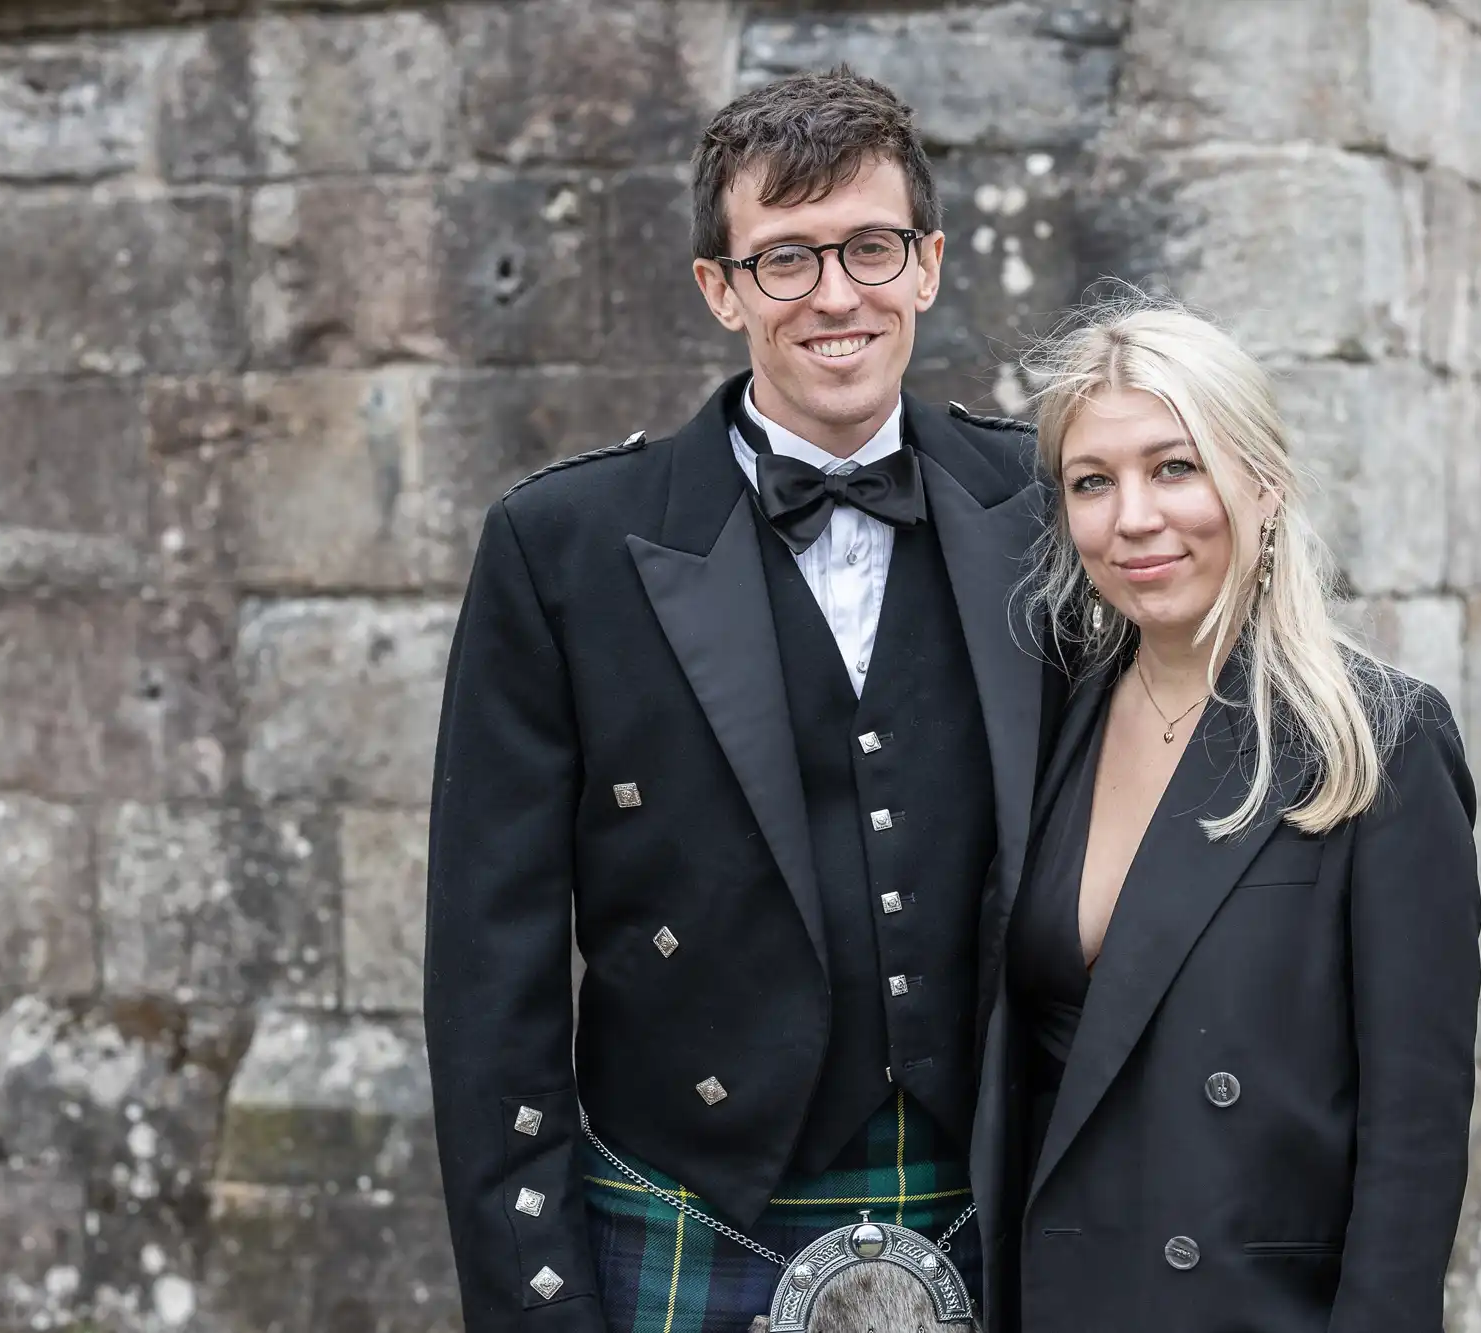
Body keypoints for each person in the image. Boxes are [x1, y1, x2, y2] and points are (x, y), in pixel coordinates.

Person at [425, 67, 1053, 1333]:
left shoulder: (1045, 507)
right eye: (784, 259)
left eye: (870, 246)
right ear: (719, 288)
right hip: (689, 1201)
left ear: (926, 263)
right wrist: (536, 1296)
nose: (836, 293)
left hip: (999, 1201)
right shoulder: (563, 546)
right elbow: (490, 969)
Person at [967, 298, 1481, 1333]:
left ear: (1262, 481)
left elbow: (1413, 1133)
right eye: (1090, 483)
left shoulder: (1374, 738)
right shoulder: (1048, 720)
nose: (1133, 519)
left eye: (1173, 467)